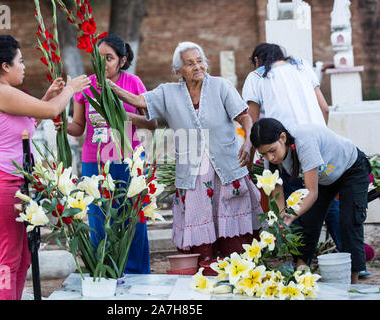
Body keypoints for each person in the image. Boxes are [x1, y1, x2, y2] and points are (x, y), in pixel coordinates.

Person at [105, 41, 263, 262]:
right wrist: (110, 86)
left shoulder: (221, 86)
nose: (197, 67)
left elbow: (244, 116)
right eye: (189, 64)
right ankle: (206, 269)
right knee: (200, 217)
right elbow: (139, 100)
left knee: (231, 220)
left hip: (226, 168)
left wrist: (247, 142)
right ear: (178, 71)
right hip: (193, 172)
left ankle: (237, 268)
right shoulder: (168, 93)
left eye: (200, 61)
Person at [0, 34, 90, 300]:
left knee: (22, 258)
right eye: (20, 61)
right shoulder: (0, 92)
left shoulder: (3, 93)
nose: (24, 66)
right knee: (7, 256)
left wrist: (48, 96)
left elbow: (27, 124)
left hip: (8, 182)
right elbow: (49, 112)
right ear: (5, 66)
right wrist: (70, 89)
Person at [57, 34, 157, 274]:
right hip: (94, 162)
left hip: (128, 160)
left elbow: (152, 123)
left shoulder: (133, 83)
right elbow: (78, 127)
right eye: (98, 58)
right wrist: (61, 122)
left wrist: (128, 118)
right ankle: (103, 272)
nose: (103, 64)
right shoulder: (85, 85)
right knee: (98, 217)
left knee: (132, 216)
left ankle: (135, 272)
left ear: (122, 61)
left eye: (109, 58)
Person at [242, 43, 343, 256]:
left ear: (258, 60)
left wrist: (250, 159)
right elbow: (324, 108)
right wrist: (320, 139)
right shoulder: (303, 67)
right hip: (317, 143)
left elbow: (252, 122)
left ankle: (300, 260)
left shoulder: (257, 76)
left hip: (284, 150)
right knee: (326, 201)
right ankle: (350, 256)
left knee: (290, 204)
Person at [250, 117, 371, 284]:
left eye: (272, 150)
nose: (270, 157)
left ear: (283, 138)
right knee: (309, 220)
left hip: (351, 168)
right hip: (325, 178)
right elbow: (277, 190)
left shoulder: (304, 142)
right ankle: (301, 270)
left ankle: (353, 282)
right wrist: (282, 217)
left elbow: (312, 193)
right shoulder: (270, 157)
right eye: (264, 153)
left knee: (349, 221)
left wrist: (292, 216)